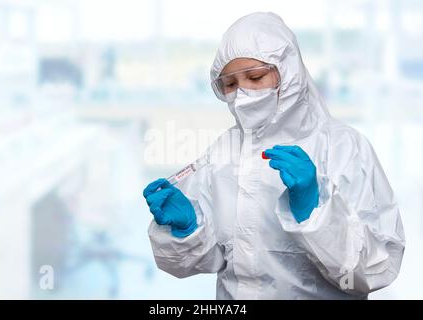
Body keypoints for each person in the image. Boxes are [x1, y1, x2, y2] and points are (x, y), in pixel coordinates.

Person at [142, 12, 405, 299]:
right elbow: (210, 259)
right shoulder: (224, 150)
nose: (242, 94)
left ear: (288, 72)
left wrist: (317, 214)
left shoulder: (344, 147)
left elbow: (374, 270)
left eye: (255, 77)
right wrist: (188, 230)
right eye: (230, 85)